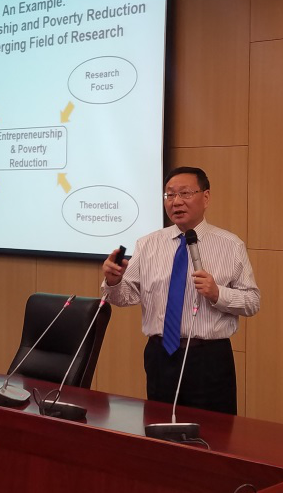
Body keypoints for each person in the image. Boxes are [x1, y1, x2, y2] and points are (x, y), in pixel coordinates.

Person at [101, 167, 259, 415]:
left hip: (209, 359)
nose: (176, 202)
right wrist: (113, 282)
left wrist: (218, 294)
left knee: (213, 433)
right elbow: (125, 297)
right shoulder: (148, 244)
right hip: (160, 355)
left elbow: (252, 301)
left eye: (185, 193)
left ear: (205, 197)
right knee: (159, 427)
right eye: (170, 195)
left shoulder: (230, 245)